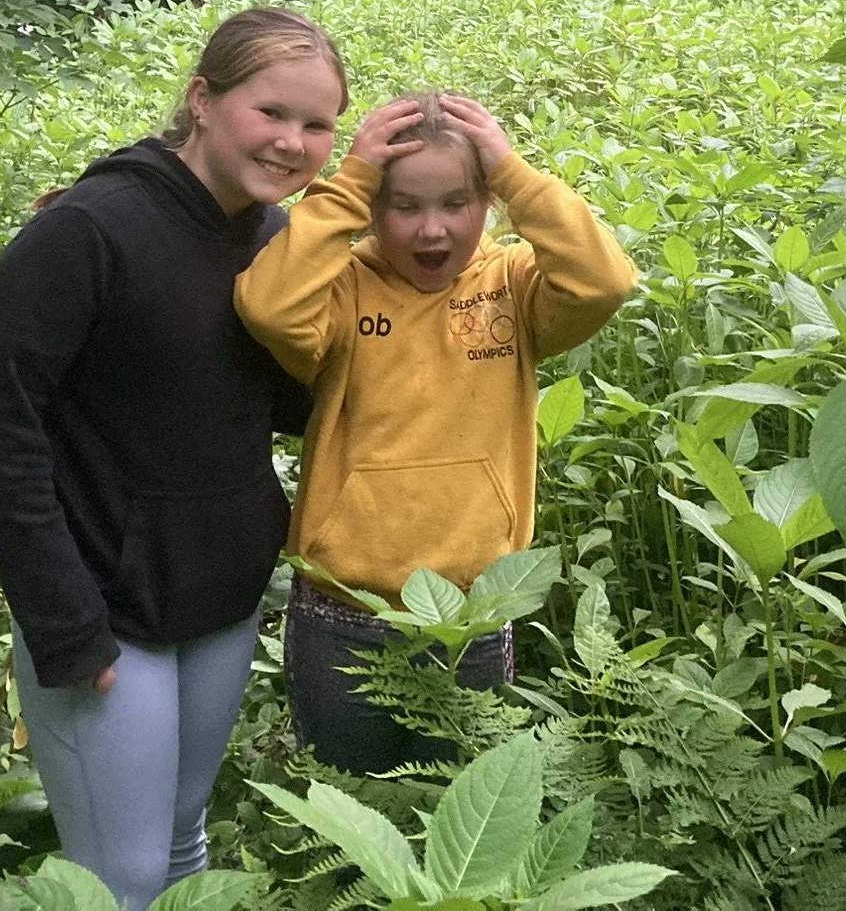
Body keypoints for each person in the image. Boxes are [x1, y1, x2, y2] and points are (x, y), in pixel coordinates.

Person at [0, 7, 348, 911]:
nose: (292, 142)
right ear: (203, 100)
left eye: (317, 124)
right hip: (105, 607)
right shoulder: (89, 230)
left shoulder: (275, 240)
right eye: (271, 111)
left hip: (219, 594)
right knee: (117, 881)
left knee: (182, 841)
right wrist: (62, 620)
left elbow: (283, 405)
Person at [235, 91, 637, 774]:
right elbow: (268, 306)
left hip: (470, 617)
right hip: (342, 612)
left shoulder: (512, 285)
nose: (430, 230)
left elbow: (603, 283)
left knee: (460, 810)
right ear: (371, 209)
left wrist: (513, 171)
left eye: (456, 203)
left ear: (487, 203)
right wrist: (351, 182)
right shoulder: (344, 289)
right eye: (403, 205)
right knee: (354, 812)